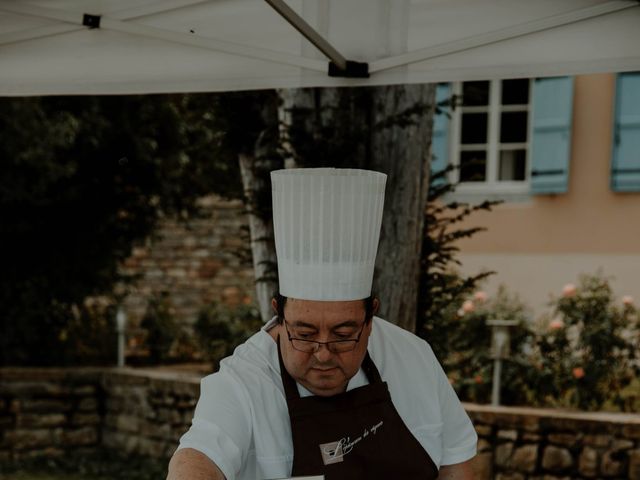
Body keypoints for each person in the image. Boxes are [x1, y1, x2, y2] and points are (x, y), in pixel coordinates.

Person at [167, 168, 477, 480]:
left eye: (344, 335)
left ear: (370, 320)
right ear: (279, 314)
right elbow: (196, 459)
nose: (323, 354)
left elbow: (456, 461)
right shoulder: (244, 383)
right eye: (304, 334)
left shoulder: (413, 356)